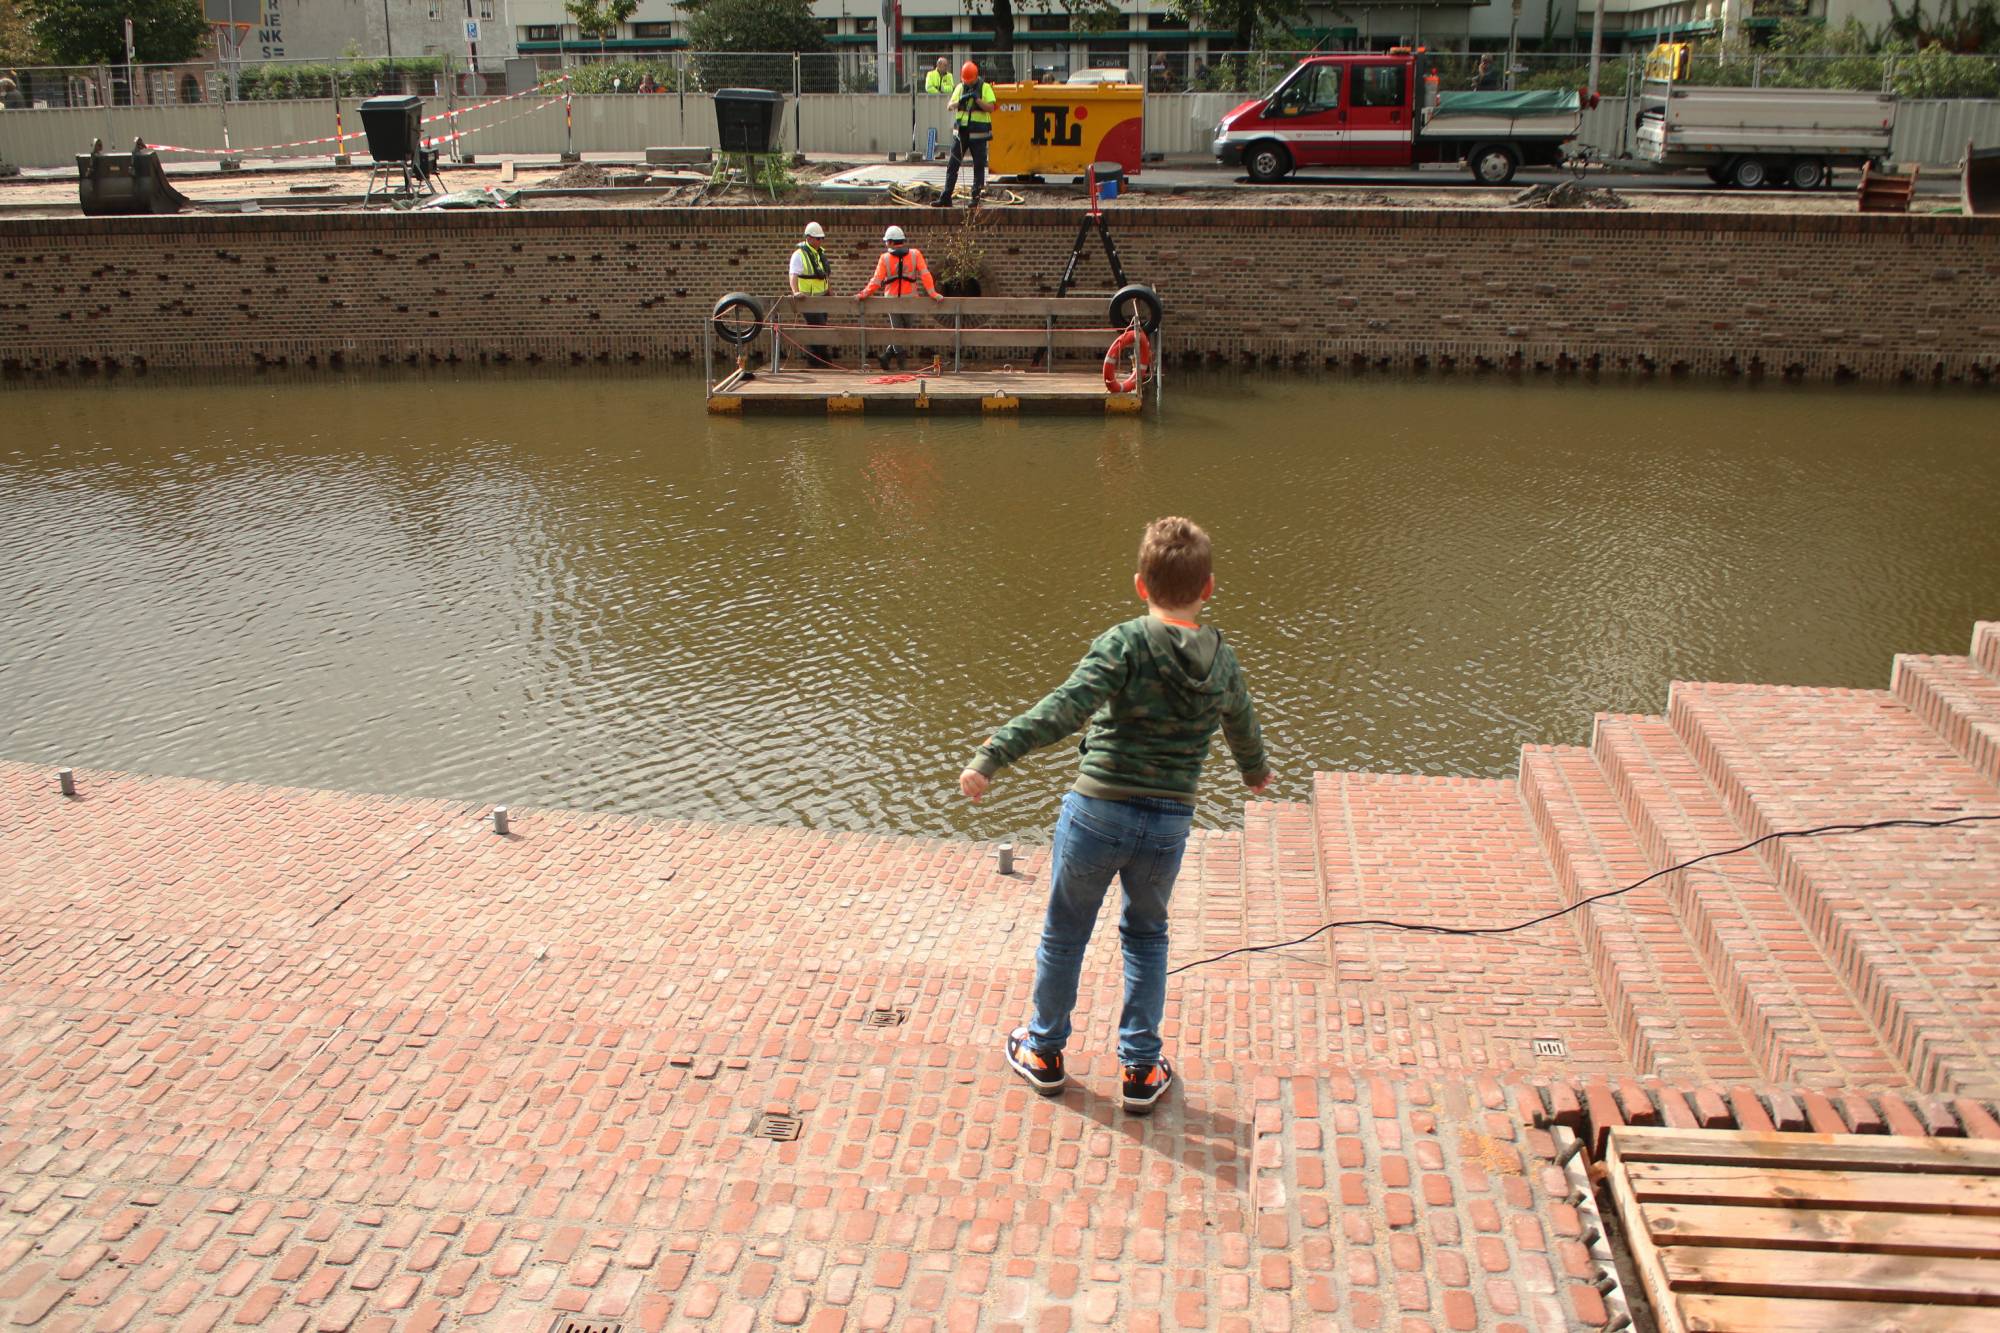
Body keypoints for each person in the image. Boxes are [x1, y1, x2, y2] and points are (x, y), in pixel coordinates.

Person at [960, 516, 1272, 1115]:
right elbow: (1243, 725)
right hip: (1166, 824)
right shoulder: (1222, 660)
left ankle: (1045, 1052)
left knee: (1065, 932)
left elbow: (1064, 707)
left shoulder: (1126, 642)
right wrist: (1255, 773)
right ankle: (1140, 1065)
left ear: (1139, 585)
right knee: (1148, 936)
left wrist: (993, 755)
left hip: (1097, 813)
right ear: (1207, 588)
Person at [856, 224, 942, 370]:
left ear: (890, 242)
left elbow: (876, 281)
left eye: (886, 242)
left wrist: (863, 294)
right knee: (900, 331)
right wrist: (932, 293)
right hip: (910, 300)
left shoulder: (885, 258)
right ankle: (901, 361)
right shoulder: (916, 254)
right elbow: (925, 274)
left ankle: (887, 357)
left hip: (892, 300)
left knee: (902, 331)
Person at [936, 60, 996, 209]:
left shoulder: (985, 87)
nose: (968, 84)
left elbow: (991, 107)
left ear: (976, 77)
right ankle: (946, 197)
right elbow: (950, 106)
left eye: (970, 81)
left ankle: (975, 199)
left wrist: (977, 99)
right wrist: (960, 102)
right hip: (961, 134)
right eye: (966, 81)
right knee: (953, 165)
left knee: (979, 166)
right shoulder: (960, 88)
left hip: (978, 135)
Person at [788, 220, 833, 368]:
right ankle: (820, 360)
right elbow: (793, 275)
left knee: (820, 326)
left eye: (822, 238)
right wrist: (795, 292)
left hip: (822, 297)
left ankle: (818, 359)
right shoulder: (799, 255)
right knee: (818, 327)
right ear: (809, 238)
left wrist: (829, 290)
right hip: (808, 298)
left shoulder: (820, 253)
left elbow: (824, 274)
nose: (820, 241)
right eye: (818, 238)